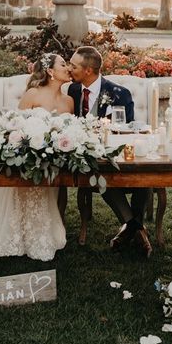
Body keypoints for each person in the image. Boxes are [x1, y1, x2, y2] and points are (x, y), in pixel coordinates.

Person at [0, 53, 71, 261]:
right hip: (28, 158)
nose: (68, 67)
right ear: (51, 71)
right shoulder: (32, 94)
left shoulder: (69, 101)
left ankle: (42, 231)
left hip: (53, 162)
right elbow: (17, 128)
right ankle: (14, 233)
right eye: (63, 64)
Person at [68, 46, 152, 256]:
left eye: (73, 65)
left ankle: (130, 227)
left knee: (145, 176)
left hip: (116, 154)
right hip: (88, 158)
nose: (70, 69)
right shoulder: (73, 90)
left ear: (88, 70)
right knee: (101, 174)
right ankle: (136, 228)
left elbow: (128, 132)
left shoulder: (120, 94)